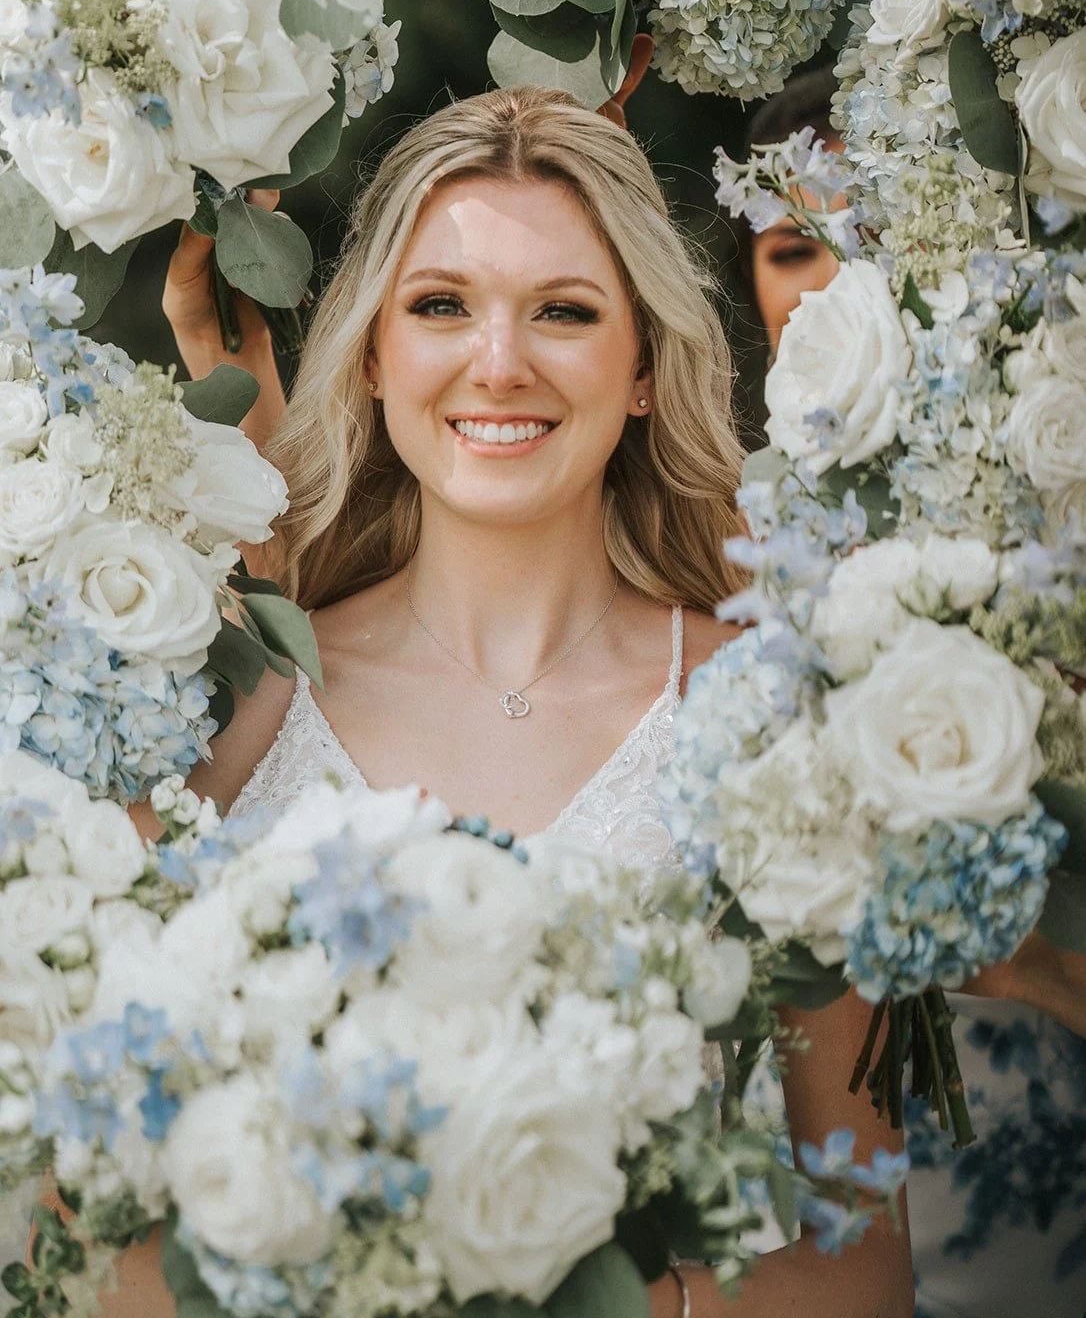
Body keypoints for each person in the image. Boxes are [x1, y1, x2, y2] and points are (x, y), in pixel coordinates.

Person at [103, 87, 913, 1318]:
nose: (499, 363)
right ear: (376, 352)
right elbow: (73, 1189)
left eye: (565, 313)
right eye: (441, 306)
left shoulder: (775, 720)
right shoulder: (233, 696)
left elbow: (867, 1261)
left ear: (642, 367)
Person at [734, 71, 1086, 1318]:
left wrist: (1033, 965)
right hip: (806, 1186)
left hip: (1033, 1149)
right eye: (789, 250)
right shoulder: (722, 537)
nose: (828, 286)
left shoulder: (1051, 533)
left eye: (863, 241)